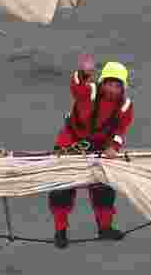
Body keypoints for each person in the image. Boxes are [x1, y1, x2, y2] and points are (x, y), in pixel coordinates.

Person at [49, 55, 133, 248]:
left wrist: (113, 147)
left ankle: (105, 228)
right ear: (102, 82)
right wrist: (83, 73)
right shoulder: (90, 92)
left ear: (123, 87)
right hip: (69, 146)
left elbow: (120, 132)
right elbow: (76, 87)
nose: (112, 88)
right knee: (62, 189)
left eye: (117, 85)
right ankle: (60, 231)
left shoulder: (125, 106)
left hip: (100, 150)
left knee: (104, 189)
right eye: (109, 83)